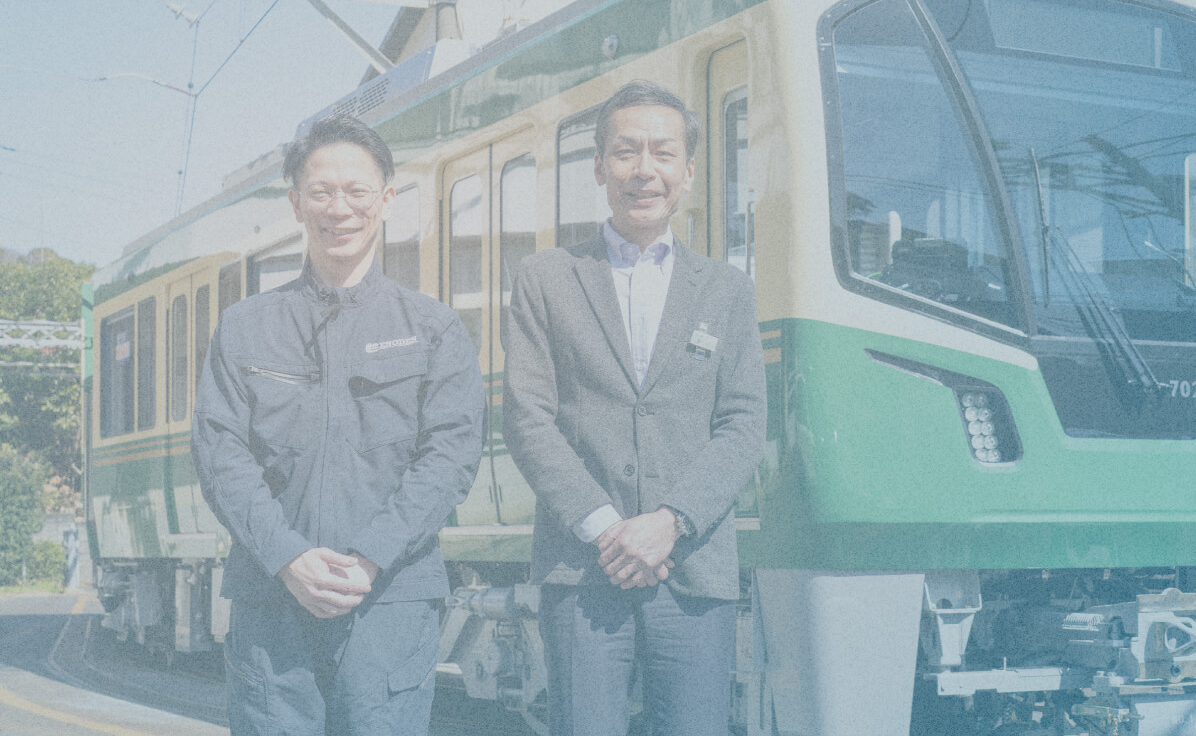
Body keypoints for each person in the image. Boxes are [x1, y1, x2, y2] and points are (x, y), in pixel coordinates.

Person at [192, 114, 487, 736]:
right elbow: (221, 456)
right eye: (321, 192)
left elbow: (451, 457)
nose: (340, 208)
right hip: (272, 601)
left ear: (387, 199)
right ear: (296, 204)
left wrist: (372, 556)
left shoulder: (433, 330)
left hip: (391, 603)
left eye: (357, 191)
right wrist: (288, 557)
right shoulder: (245, 328)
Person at [502, 80, 767, 736]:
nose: (644, 169)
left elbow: (742, 425)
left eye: (663, 153)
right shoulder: (546, 279)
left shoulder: (728, 291)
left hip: (692, 566)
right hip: (583, 568)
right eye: (625, 152)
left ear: (689, 171)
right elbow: (528, 417)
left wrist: (671, 522)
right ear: (599, 167)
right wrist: (607, 529)